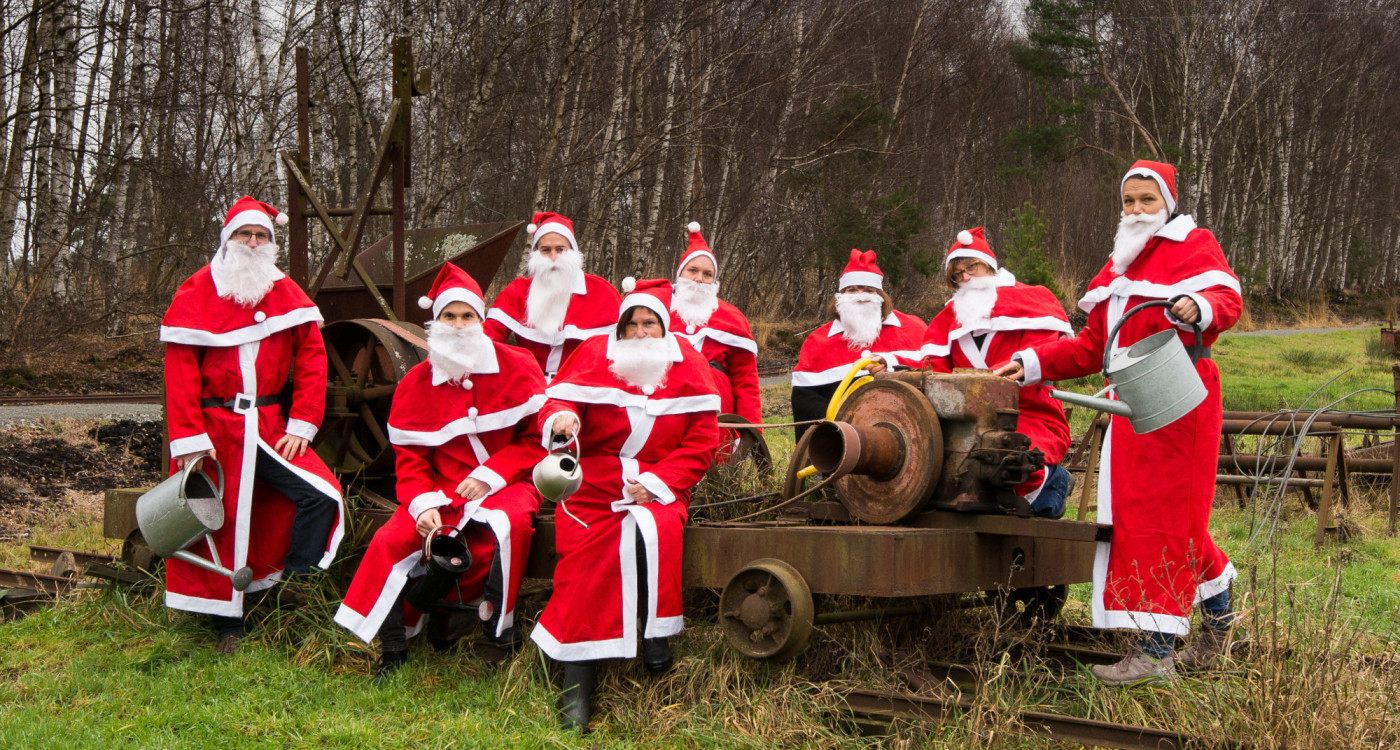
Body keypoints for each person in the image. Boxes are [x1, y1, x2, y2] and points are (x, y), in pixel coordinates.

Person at [993, 160, 1241, 685]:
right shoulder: (1119, 266)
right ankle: (1219, 624)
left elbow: (1226, 299)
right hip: (1136, 405)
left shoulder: (1193, 245)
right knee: (1155, 523)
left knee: (1165, 522)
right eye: (1128, 201)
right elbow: (1090, 347)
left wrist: (1196, 307)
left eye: (1146, 200)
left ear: (1166, 204)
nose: (1135, 210)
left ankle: (1154, 654)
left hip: (1182, 402)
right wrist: (1033, 364)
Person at [334, 264, 548, 679]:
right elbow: (410, 459)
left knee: (508, 525)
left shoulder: (516, 365)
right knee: (389, 540)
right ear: (435, 322)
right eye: (449, 316)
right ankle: (394, 646)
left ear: (481, 321)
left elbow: (537, 439)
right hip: (442, 488)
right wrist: (421, 504)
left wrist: (491, 475)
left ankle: (493, 628)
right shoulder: (416, 383)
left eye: (467, 316)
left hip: (510, 481)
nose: (458, 324)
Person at [533, 278, 721, 733]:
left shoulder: (689, 365)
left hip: (659, 481)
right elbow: (561, 399)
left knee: (654, 531)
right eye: (631, 324)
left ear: (664, 327)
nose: (640, 333)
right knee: (587, 558)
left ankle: (654, 636)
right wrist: (563, 418)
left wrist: (658, 482)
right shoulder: (598, 355)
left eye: (649, 324)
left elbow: (702, 441)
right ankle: (577, 686)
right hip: (595, 481)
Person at [160, 196, 344, 654]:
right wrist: (189, 439)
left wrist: (302, 423)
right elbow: (180, 374)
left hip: (267, 426)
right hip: (215, 433)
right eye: (246, 234)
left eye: (262, 235)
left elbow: (312, 361)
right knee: (219, 524)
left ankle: (291, 590)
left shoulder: (285, 291)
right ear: (228, 240)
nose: (254, 242)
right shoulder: (196, 291)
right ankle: (227, 622)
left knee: (319, 495)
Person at [921, 227, 1074, 518]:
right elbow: (932, 369)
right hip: (965, 419)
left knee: (1014, 463)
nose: (965, 277)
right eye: (957, 275)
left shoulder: (1032, 302)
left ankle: (1054, 485)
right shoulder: (948, 319)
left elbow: (1048, 355)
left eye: (971, 268)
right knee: (944, 466)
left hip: (1028, 410)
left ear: (988, 265)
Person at [791, 249, 926, 441]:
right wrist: (842, 426)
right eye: (852, 290)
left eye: (868, 290)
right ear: (841, 295)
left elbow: (933, 370)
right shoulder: (818, 341)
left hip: (908, 435)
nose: (860, 296)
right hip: (841, 439)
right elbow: (805, 400)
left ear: (881, 296)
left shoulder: (913, 329)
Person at [484, 211, 622, 379]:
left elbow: (623, 346)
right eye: (545, 250)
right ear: (535, 253)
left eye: (560, 250)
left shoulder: (602, 292)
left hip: (581, 387)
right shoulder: (519, 291)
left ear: (572, 251)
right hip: (528, 385)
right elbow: (487, 339)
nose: (553, 257)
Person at [669, 221, 762, 426]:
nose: (699, 279)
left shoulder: (732, 318)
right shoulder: (657, 310)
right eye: (692, 270)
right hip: (666, 409)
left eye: (707, 274)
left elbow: (746, 384)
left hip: (717, 414)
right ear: (680, 274)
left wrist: (750, 435)